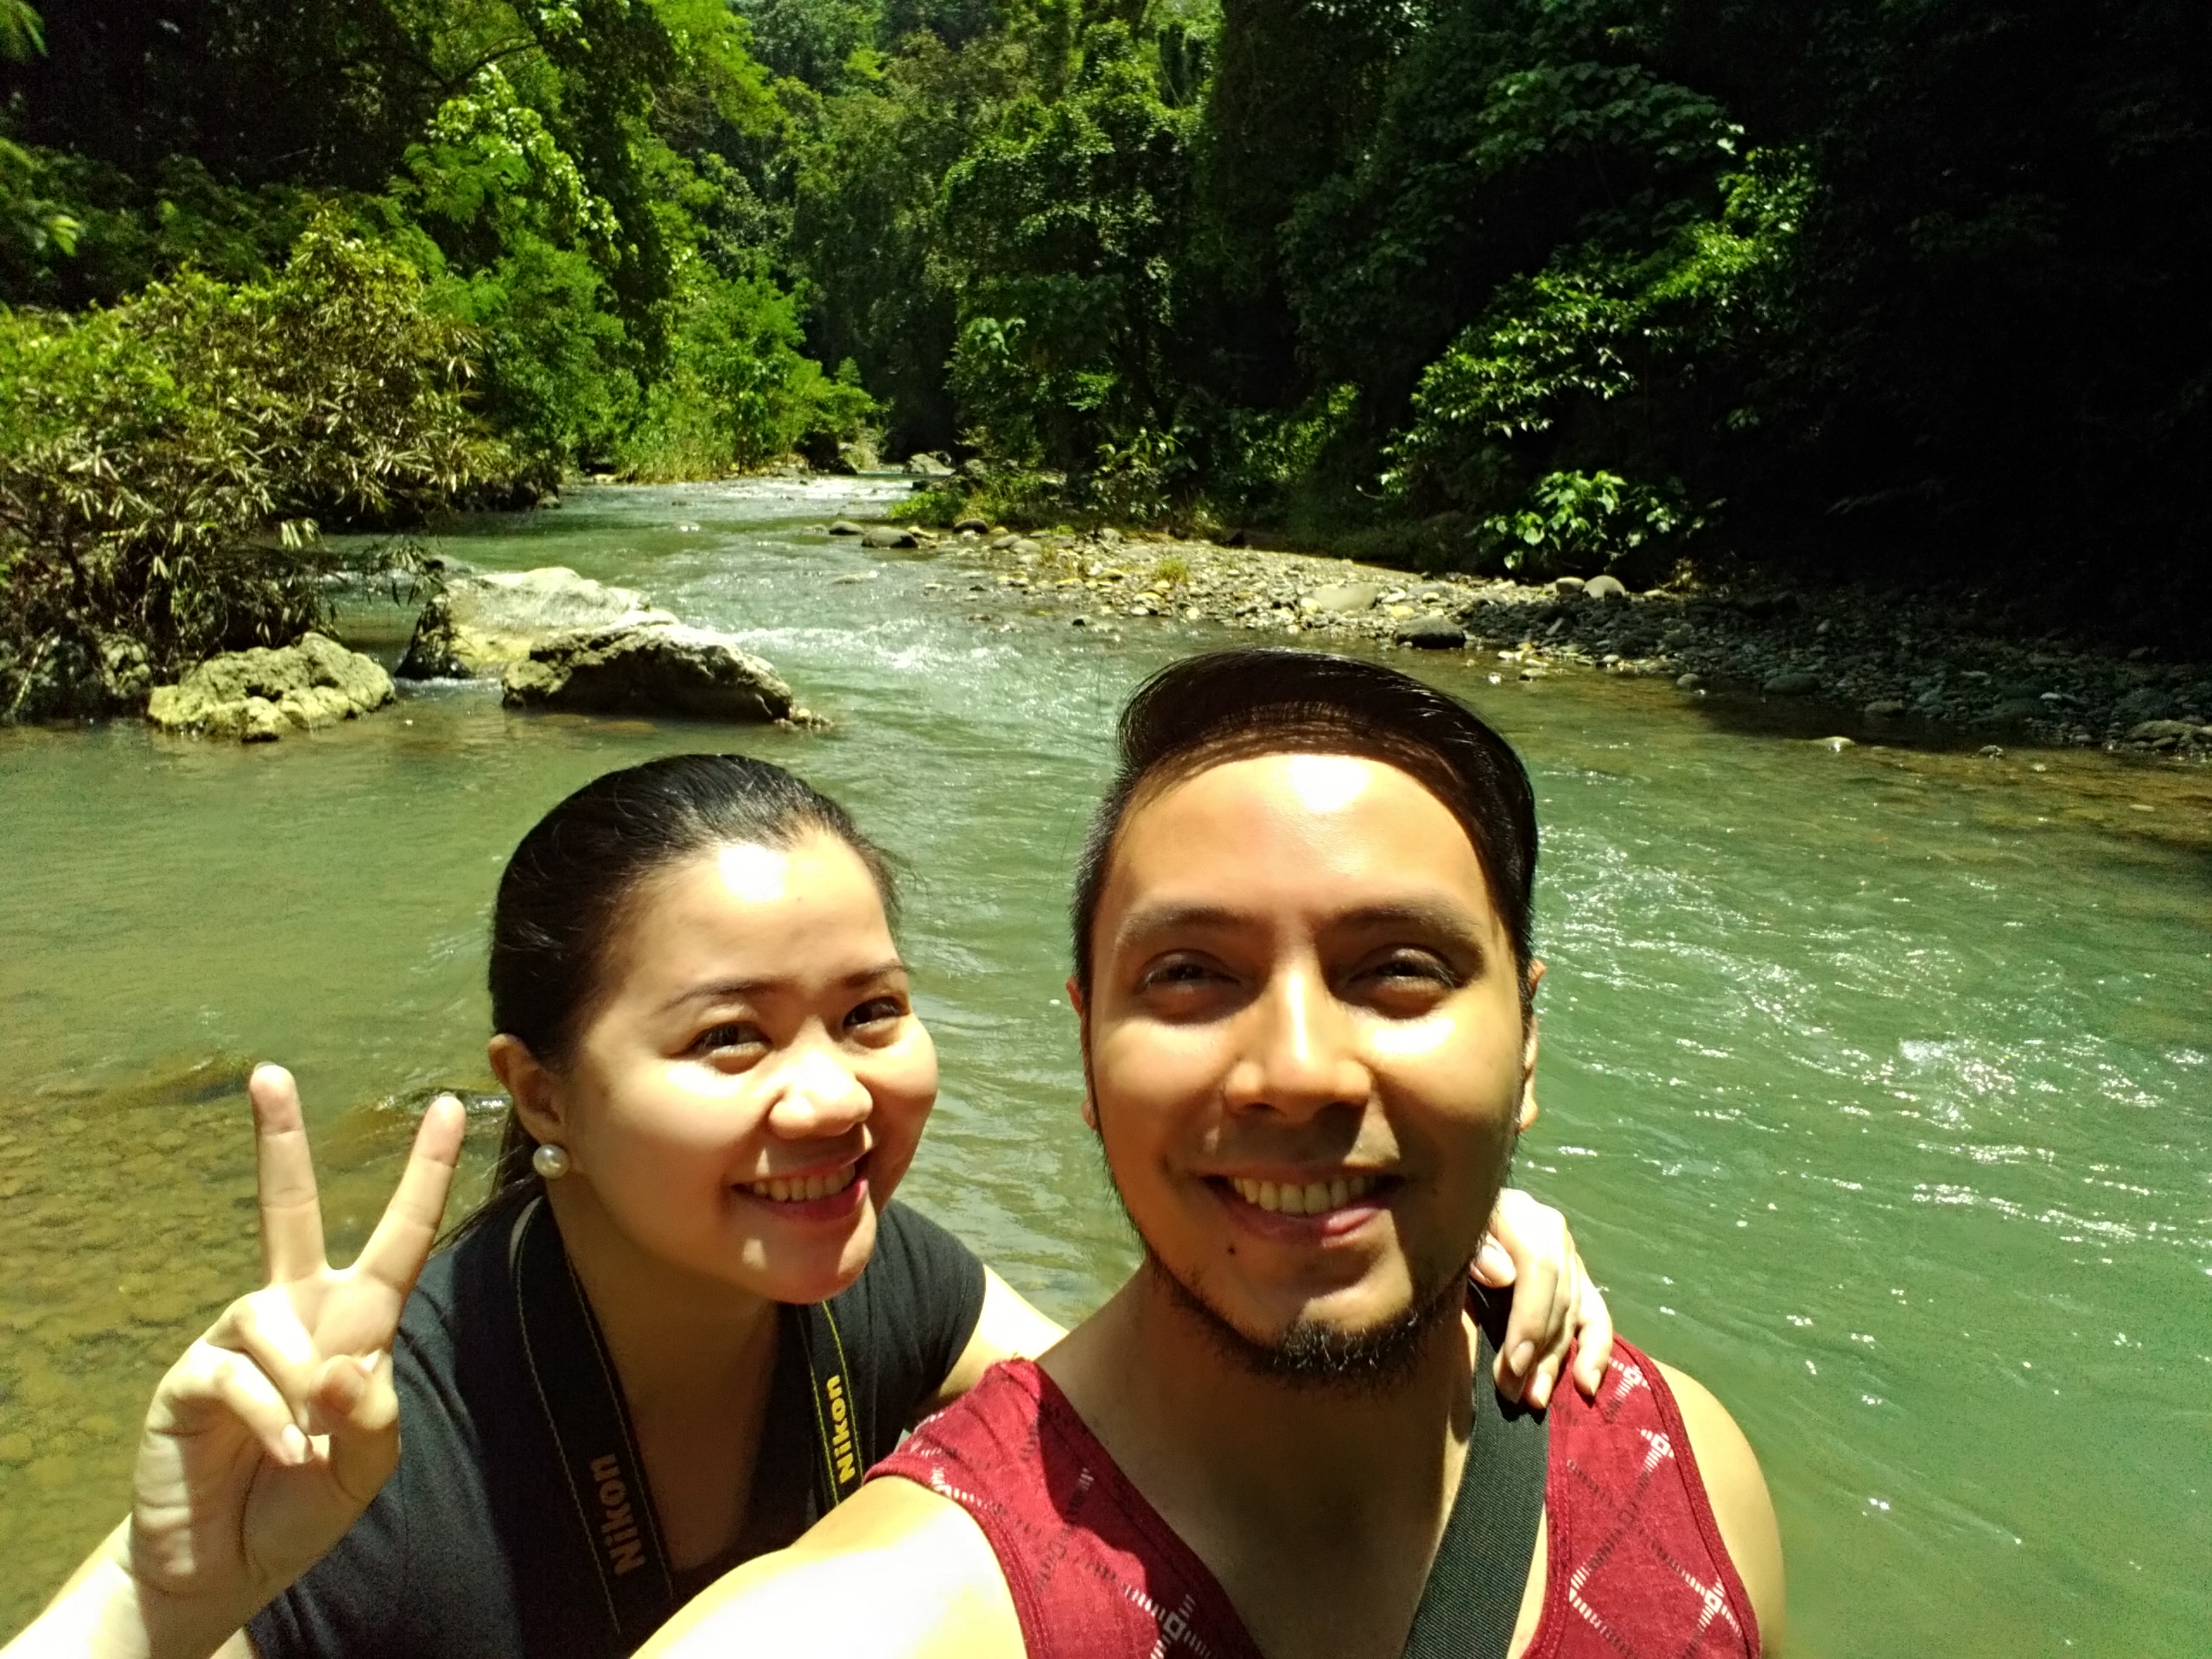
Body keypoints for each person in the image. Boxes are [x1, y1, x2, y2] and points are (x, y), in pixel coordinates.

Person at [9, 751, 1614, 1659]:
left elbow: (1144, 1434)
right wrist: (153, 1600)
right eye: (730, 1038)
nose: (834, 1098)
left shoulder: (876, 1279)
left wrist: (1389, 1252)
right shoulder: (384, 1454)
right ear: (542, 1093)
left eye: (870, 1013)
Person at [643, 650, 1787, 1659]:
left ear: (1527, 1044)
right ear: (1087, 1052)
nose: (1298, 1070)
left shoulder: (1694, 1482)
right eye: (1190, 974)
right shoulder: (884, 1616)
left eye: (1399, 969)